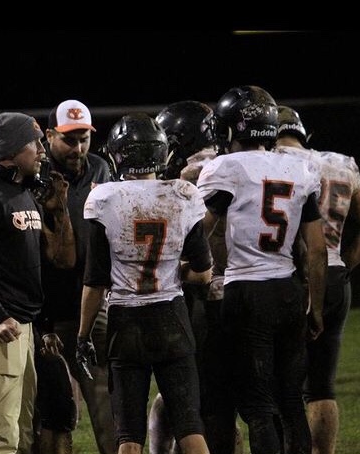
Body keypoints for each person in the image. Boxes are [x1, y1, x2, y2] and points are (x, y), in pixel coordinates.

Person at [196, 86, 327, 454]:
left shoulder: (227, 168)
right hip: (287, 289)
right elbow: (316, 250)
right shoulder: (298, 168)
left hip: (247, 292)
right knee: (290, 400)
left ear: (235, 128)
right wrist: (314, 306)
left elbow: (202, 229)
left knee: (257, 405)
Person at [77, 112, 213, 454]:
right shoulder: (183, 193)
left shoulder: (105, 197)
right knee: (190, 427)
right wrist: (174, 271)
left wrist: (82, 335)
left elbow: (95, 282)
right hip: (172, 316)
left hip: (127, 324)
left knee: (129, 436)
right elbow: (205, 272)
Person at [0, 112, 76, 454]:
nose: (41, 150)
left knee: (20, 431)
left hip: (19, 322)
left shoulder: (20, 191)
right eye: (33, 143)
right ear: (9, 149)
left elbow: (38, 262)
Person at [148, 100, 243, 454]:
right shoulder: (233, 162)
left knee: (181, 393)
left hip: (195, 294)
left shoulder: (187, 174)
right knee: (218, 401)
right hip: (238, 289)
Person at [274, 105, 360, 454]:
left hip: (287, 277)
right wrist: (346, 263)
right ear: (303, 133)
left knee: (280, 386)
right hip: (336, 273)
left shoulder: (269, 162)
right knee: (322, 386)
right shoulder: (342, 163)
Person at [38, 98, 115, 454]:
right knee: (54, 416)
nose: (78, 147)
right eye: (69, 139)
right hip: (47, 309)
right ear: (50, 135)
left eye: (83, 138)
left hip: (93, 304)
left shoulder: (100, 168)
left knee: (108, 411)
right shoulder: (34, 176)